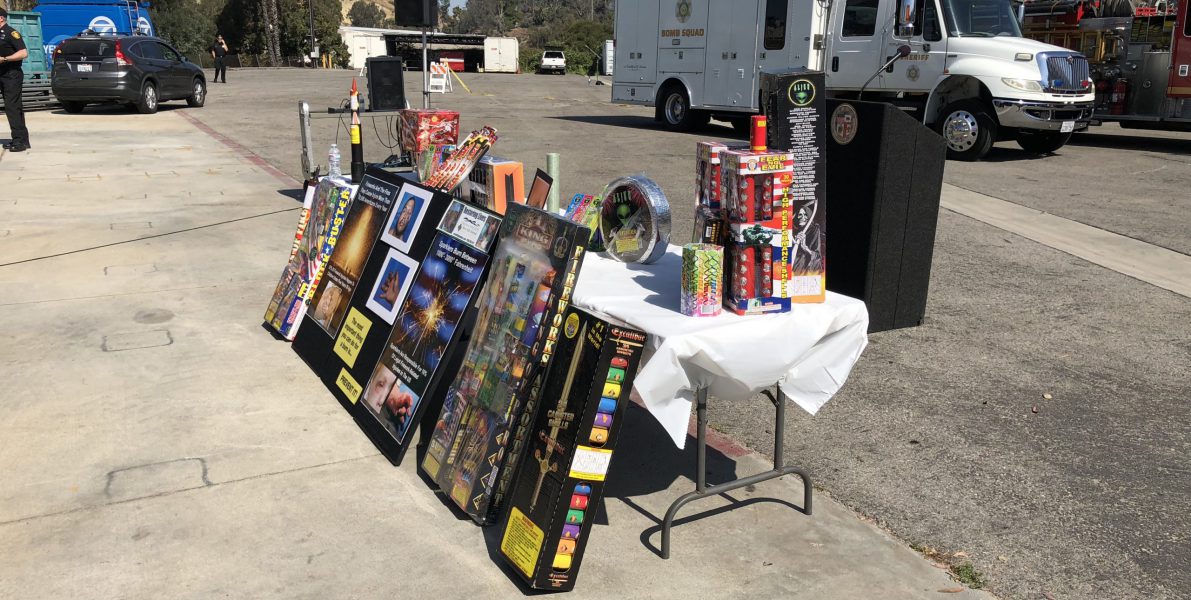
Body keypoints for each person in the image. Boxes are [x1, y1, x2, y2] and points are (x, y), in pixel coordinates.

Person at [0, 9, 31, 153]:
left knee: (12, 107)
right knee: (14, 107)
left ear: (1, 18)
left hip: (11, 74)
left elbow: (24, 53)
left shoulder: (11, 33)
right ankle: (21, 139)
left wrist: (5, 59)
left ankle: (20, 142)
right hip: (2, 73)